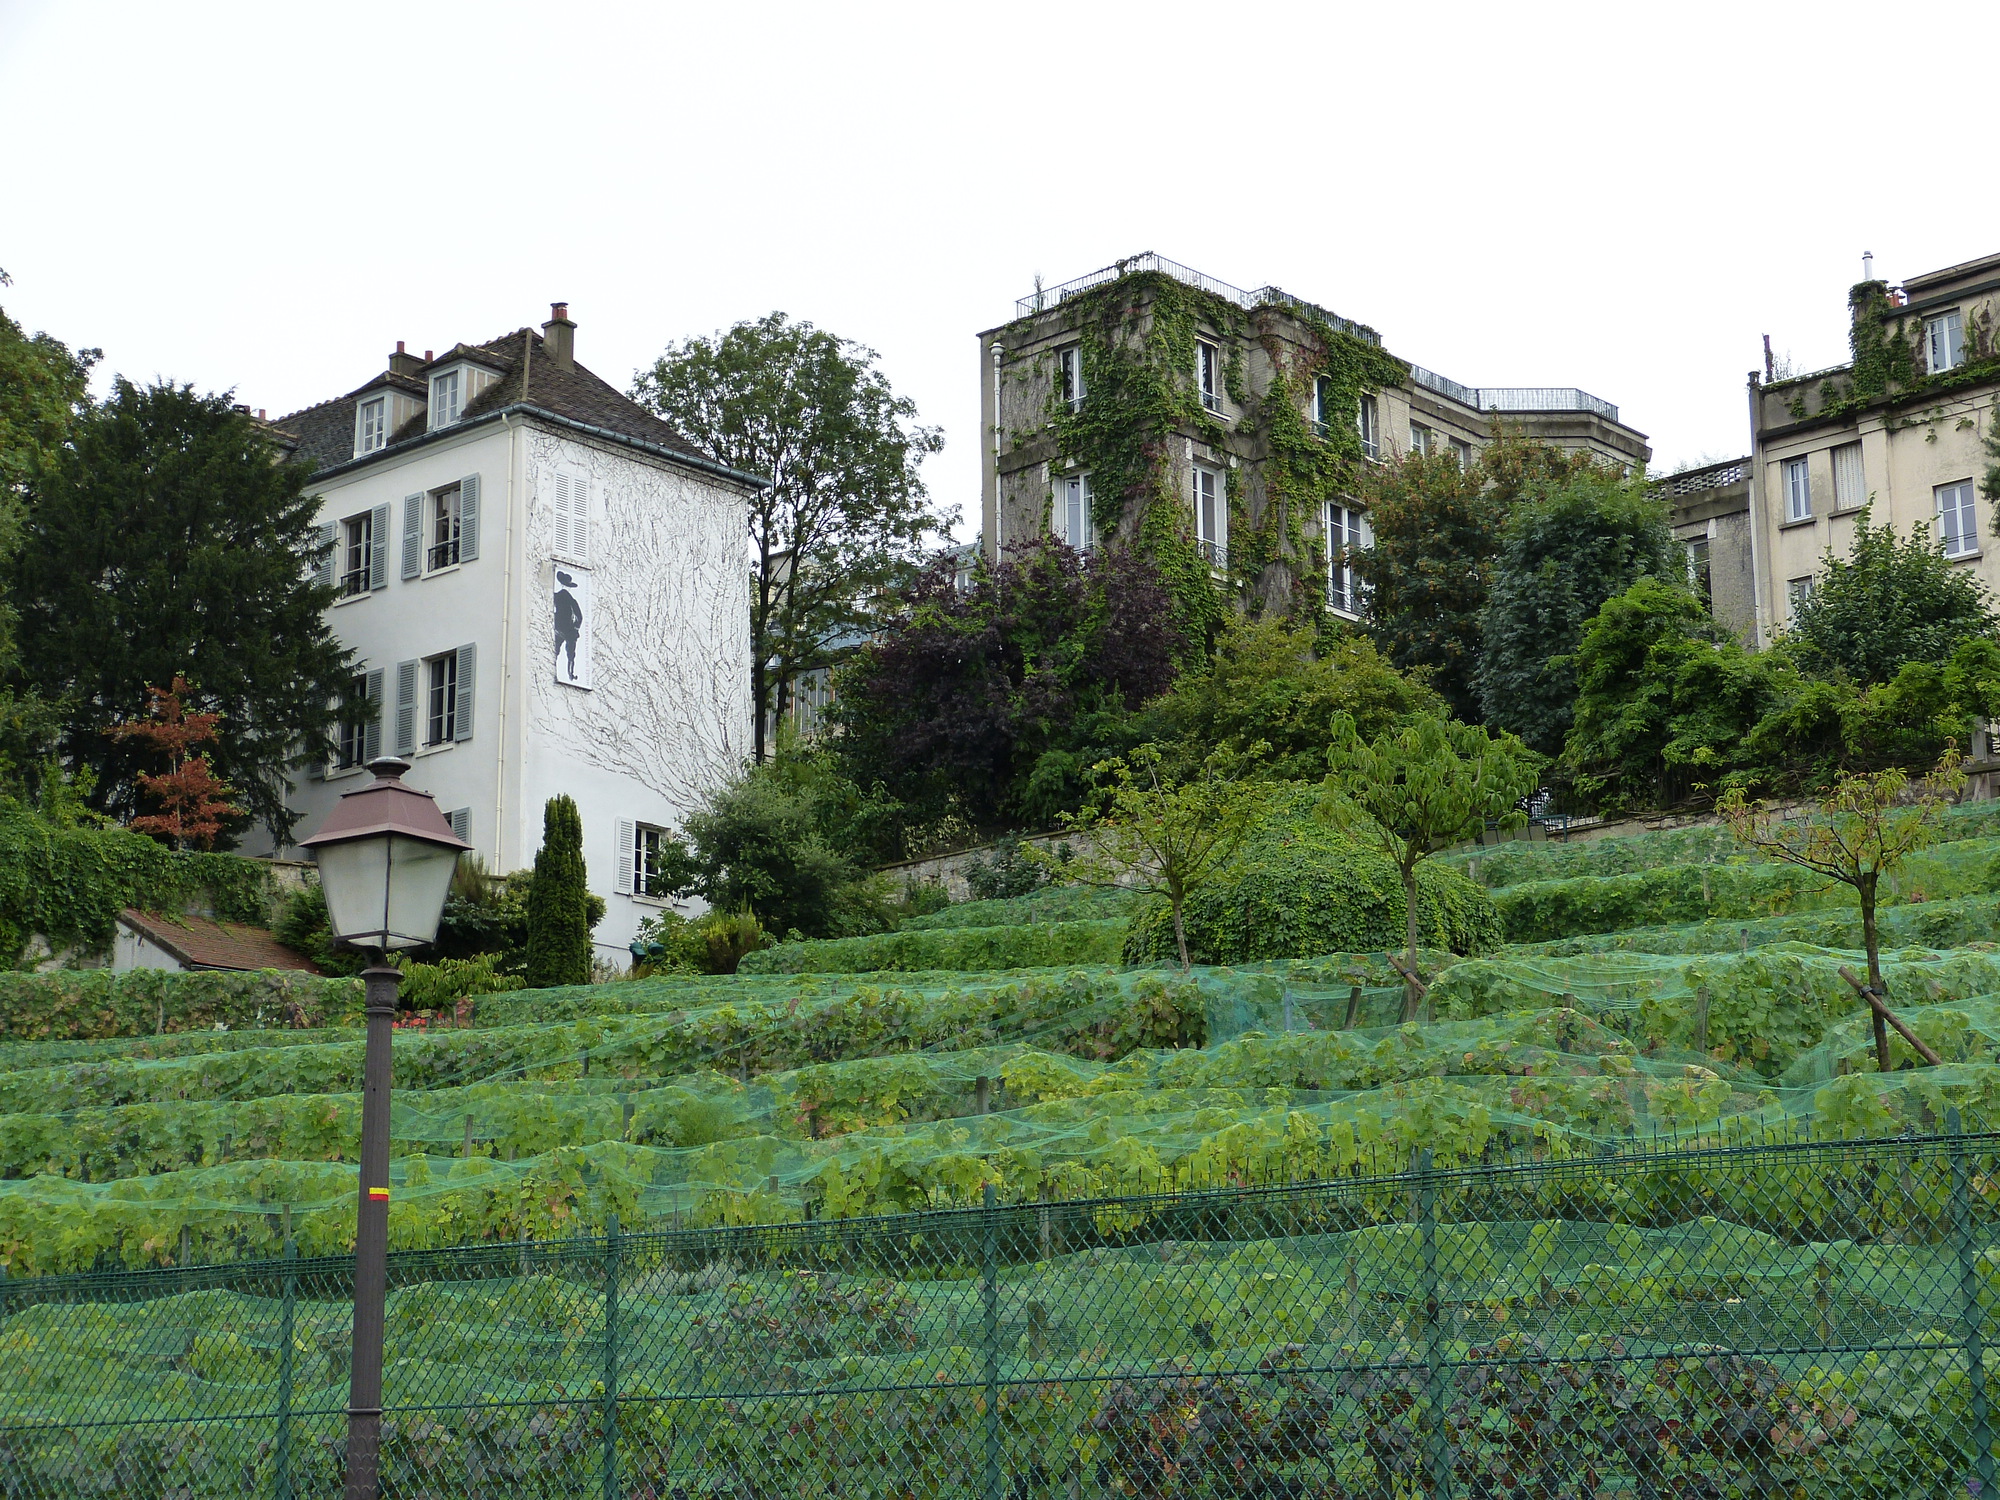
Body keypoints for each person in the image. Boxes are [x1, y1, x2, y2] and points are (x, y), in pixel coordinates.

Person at [554, 571, 583, 681]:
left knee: (556, 651)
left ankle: (556, 672)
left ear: (561, 584)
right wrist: (575, 628)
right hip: (569, 631)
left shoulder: (556, 597)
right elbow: (580, 617)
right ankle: (570, 675)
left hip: (559, 629)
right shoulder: (571, 600)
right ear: (569, 587)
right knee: (570, 654)